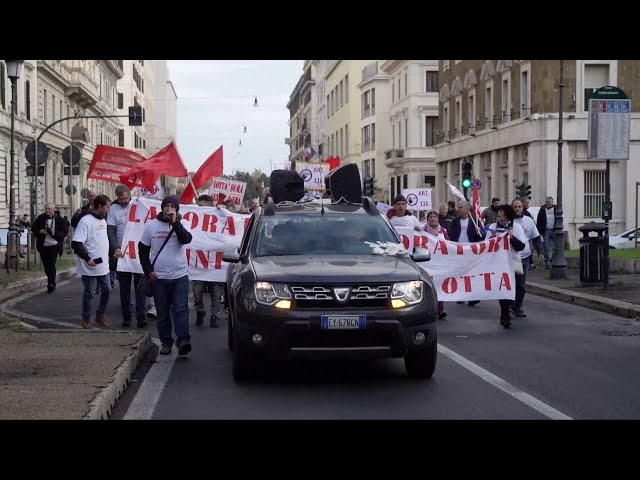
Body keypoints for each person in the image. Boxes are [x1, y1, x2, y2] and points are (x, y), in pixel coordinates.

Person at [139, 195, 193, 356]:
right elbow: (142, 250)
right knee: (162, 313)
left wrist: (175, 223)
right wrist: (148, 271)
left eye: (172, 206)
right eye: (166, 206)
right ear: (162, 208)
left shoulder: (182, 223)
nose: (169, 208)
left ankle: (183, 340)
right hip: (159, 278)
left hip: (179, 276)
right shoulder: (151, 226)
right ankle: (166, 343)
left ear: (176, 209)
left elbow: (186, 239)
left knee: (180, 310)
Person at [107, 185, 148, 328]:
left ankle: (141, 316)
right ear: (117, 198)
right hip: (122, 254)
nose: (124, 201)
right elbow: (110, 231)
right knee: (124, 288)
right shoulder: (113, 209)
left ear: (130, 195)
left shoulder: (139, 204)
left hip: (138, 254)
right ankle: (127, 317)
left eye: (126, 198)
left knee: (140, 287)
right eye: (120, 199)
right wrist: (115, 248)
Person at [71, 194, 111, 329]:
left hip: (103, 265)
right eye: (107, 206)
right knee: (89, 292)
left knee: (107, 290)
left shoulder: (103, 220)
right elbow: (76, 243)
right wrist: (87, 258)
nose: (109, 209)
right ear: (100, 206)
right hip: (89, 264)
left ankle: (100, 315)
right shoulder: (85, 221)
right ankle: (86, 318)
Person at [486, 204, 527, 329]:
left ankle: (513, 307)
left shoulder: (517, 227)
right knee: (503, 289)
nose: (498, 214)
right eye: (498, 212)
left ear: (508, 214)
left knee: (517, 287)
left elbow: (521, 246)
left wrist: (511, 237)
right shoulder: (493, 227)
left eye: (501, 212)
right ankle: (505, 314)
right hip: (499, 263)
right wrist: (493, 238)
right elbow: (486, 246)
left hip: (513, 261)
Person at [192, 194, 224, 328]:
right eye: (198, 206)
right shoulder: (193, 220)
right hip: (199, 262)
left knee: (216, 292)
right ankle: (200, 311)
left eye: (202, 207)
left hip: (214, 263)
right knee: (197, 292)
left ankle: (214, 316)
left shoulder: (220, 218)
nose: (200, 209)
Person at [511, 198, 544, 318]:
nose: (518, 209)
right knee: (511, 282)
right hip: (511, 257)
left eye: (519, 207)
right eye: (515, 207)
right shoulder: (509, 222)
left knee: (521, 284)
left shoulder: (529, 221)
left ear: (522, 208)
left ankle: (518, 306)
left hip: (524, 257)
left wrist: (540, 251)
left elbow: (536, 237)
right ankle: (510, 305)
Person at [32, 203, 69, 294]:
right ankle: (51, 279)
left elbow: (64, 231)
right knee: (46, 265)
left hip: (54, 245)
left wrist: (54, 233)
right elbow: (34, 228)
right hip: (43, 245)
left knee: (51, 264)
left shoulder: (59, 219)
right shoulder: (41, 218)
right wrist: (40, 231)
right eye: (46, 209)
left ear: (53, 210)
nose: (47, 211)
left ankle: (51, 284)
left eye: (49, 209)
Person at [423, 210, 449, 319]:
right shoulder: (422, 231)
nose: (433, 218)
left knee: (439, 285)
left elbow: (449, 245)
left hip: (440, 263)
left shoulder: (443, 231)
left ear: (438, 219)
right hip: (427, 262)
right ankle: (428, 309)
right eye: (430, 217)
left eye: (434, 216)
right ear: (427, 219)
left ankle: (440, 309)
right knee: (428, 286)